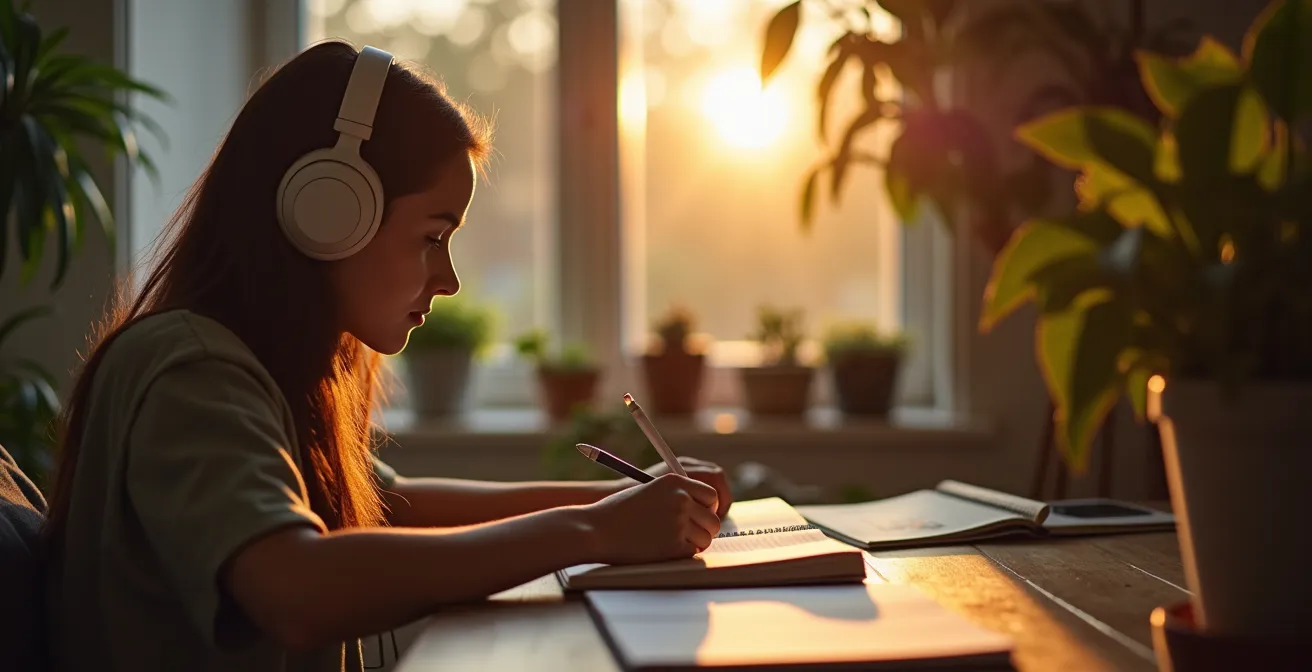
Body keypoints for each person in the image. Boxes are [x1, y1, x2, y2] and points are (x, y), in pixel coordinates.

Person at [41, 41, 732, 672]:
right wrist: (592, 529)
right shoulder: (190, 372)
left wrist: (628, 499)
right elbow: (297, 588)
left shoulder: (250, 369)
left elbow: (389, 507)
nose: (449, 279)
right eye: (433, 236)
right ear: (329, 212)